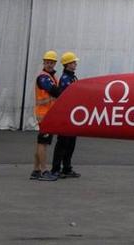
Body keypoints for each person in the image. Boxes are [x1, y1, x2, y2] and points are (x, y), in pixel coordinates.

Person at [31, 51, 61, 181]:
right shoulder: (44, 77)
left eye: (52, 62)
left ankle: (36, 170)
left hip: (48, 114)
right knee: (43, 143)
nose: (49, 64)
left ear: (55, 63)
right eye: (47, 62)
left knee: (41, 143)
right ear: (44, 62)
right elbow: (54, 91)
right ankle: (43, 171)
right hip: (44, 115)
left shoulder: (52, 76)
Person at [51, 53, 80, 177]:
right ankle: (56, 169)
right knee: (62, 142)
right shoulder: (65, 79)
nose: (75, 64)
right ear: (68, 64)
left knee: (71, 143)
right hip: (66, 114)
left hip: (73, 114)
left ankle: (67, 167)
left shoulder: (73, 77)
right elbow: (67, 96)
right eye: (73, 62)